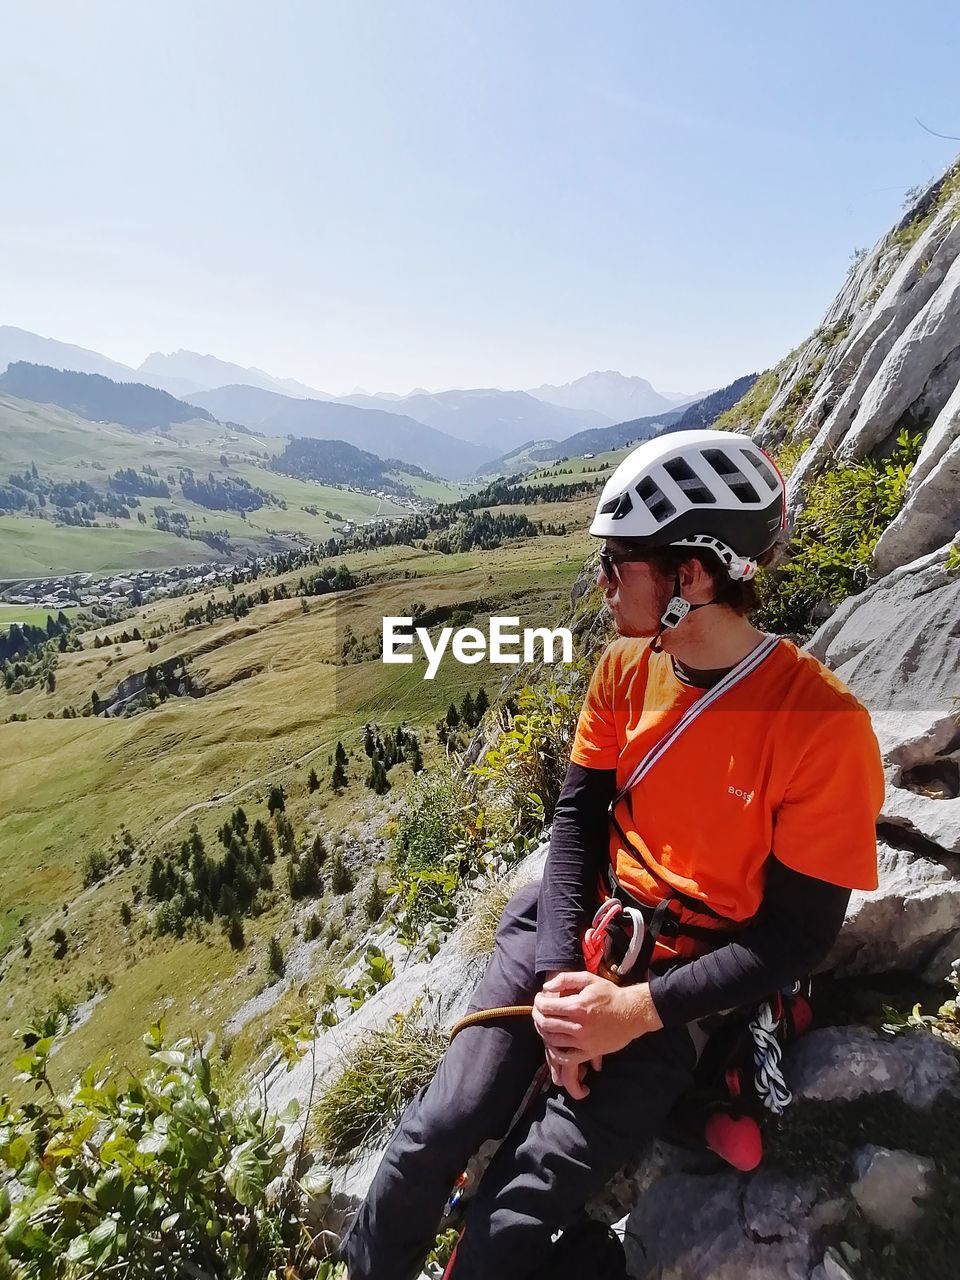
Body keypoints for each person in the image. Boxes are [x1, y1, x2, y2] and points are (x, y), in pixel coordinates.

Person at [339, 429, 885, 1280]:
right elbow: (577, 821)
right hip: (572, 936)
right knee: (427, 1144)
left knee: (507, 1230)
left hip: (671, 987)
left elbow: (794, 938)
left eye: (618, 562)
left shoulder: (823, 728)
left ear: (693, 576)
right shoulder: (625, 668)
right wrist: (563, 993)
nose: (601, 584)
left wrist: (626, 1015)